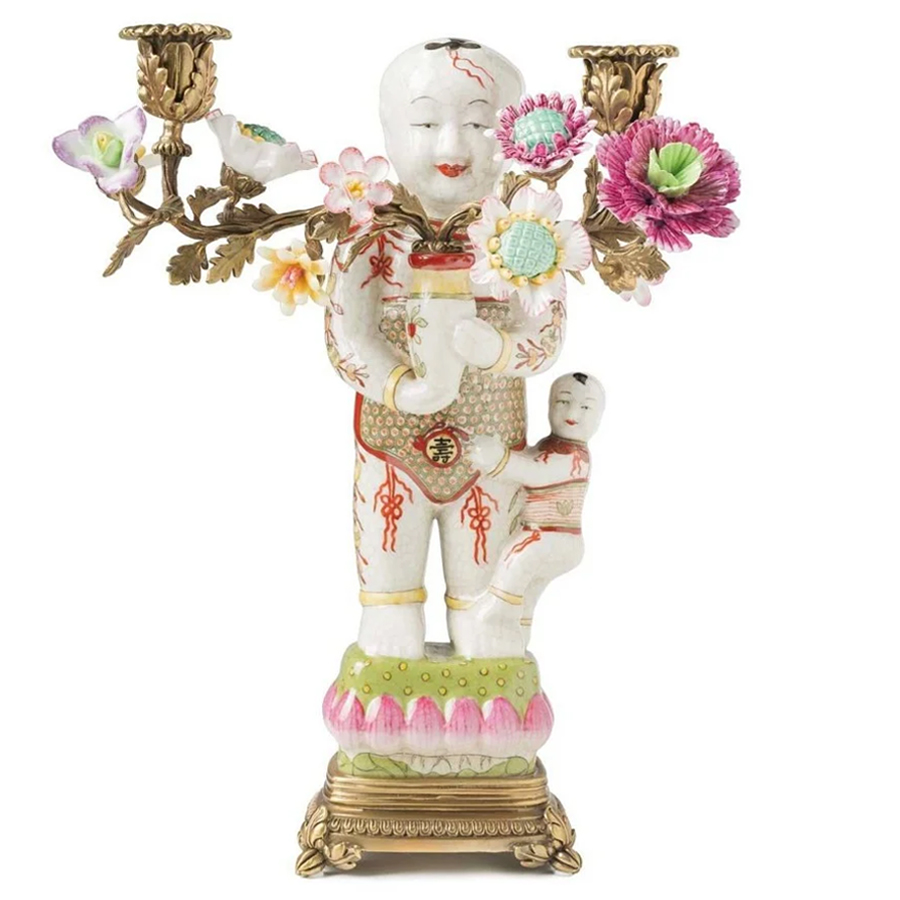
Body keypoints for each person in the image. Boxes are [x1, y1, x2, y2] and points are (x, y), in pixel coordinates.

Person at [324, 40, 568, 658]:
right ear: (388, 132)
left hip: (489, 447)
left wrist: (498, 350)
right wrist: (399, 387)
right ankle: (388, 635)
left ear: (516, 136)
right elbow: (345, 332)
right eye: (426, 123)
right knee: (388, 578)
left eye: (481, 124)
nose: (452, 147)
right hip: (391, 442)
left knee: (481, 599)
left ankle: (482, 645)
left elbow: (546, 336)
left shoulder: (529, 235)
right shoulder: (370, 236)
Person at [460, 372, 605, 657]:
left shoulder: (575, 457)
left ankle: (491, 614)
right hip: (548, 538)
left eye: (586, 407)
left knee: (513, 563)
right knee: (525, 598)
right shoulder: (550, 446)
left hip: (550, 537)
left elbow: (535, 472)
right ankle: (515, 639)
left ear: (599, 417)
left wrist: (499, 459)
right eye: (563, 402)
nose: (573, 413)